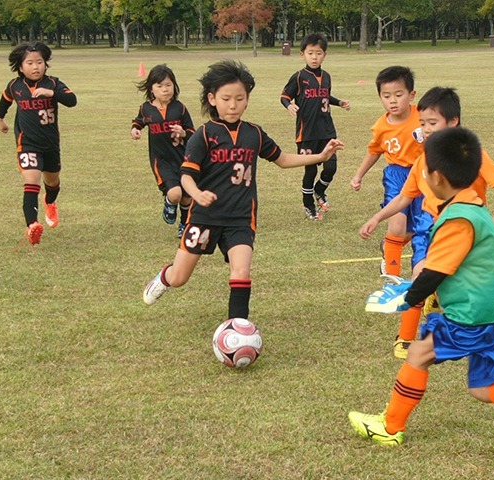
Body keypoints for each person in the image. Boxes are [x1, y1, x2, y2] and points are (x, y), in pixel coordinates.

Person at [349, 127, 494, 446]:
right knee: (483, 388)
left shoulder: (457, 219)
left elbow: (436, 271)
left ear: (436, 178)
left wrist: (406, 298)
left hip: (476, 315)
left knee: (418, 353)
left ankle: (390, 428)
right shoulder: (472, 204)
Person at [143, 60, 344, 321]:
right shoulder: (203, 135)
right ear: (212, 99)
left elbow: (282, 159)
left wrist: (321, 155)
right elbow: (186, 176)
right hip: (204, 217)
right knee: (180, 278)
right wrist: (197, 193)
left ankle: (237, 327)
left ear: (247, 99)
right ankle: (163, 278)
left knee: (241, 272)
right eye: (226, 98)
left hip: (240, 218)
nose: (233, 104)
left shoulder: (254, 134)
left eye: (240, 98)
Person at [359, 87, 494, 358]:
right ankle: (405, 338)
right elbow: (404, 198)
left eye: (433, 123)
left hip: (465, 233)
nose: (426, 129)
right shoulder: (422, 161)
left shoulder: (471, 154)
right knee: (420, 275)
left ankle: (447, 313)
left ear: (453, 122)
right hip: (428, 228)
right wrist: (377, 217)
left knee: (452, 285)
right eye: (422, 123)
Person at [350, 66, 425, 358]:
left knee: (414, 228)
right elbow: (374, 150)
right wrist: (358, 175)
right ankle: (392, 277)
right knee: (397, 224)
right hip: (396, 176)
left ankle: (392, 248)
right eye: (386, 96)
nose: (393, 101)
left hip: (422, 177)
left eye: (399, 94)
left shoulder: (423, 116)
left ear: (411, 95)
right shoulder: (381, 126)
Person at [0, 41, 77, 246]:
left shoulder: (53, 83)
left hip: (50, 145)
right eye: (30, 63)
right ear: (21, 67)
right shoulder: (15, 86)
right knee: (31, 180)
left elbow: (72, 100)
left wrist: (52, 94)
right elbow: (5, 99)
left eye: (39, 62)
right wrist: (0, 119)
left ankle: (50, 202)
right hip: (27, 144)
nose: (35, 67)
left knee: (52, 182)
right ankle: (32, 225)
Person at [280, 32, 350, 221]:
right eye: (310, 53)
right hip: (307, 133)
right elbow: (285, 96)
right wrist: (290, 105)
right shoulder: (299, 77)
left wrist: (339, 102)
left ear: (324, 55)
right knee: (310, 170)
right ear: (302, 54)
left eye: (318, 53)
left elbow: (324, 96)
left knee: (331, 168)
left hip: (327, 131)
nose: (314, 57)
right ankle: (308, 204)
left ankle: (319, 189)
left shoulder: (326, 76)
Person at [131, 64, 196, 238]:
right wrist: (135, 129)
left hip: (184, 158)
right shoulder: (146, 108)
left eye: (168, 85)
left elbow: (193, 133)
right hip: (162, 160)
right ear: (152, 89)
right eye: (159, 86)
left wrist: (183, 133)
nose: (165, 90)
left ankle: (184, 225)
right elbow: (139, 121)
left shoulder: (180, 108)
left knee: (187, 198)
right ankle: (169, 202)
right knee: (175, 194)